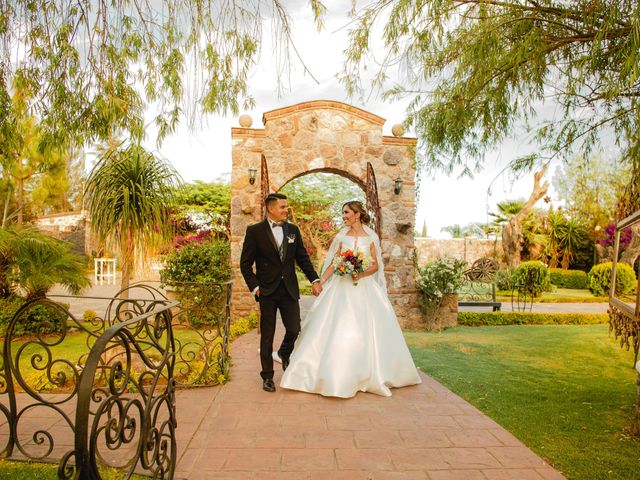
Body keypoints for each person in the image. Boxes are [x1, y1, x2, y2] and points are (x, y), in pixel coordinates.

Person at [280, 200, 421, 398]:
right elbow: (333, 263)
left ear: (356, 214)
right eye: (343, 213)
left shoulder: (371, 237)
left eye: (346, 212)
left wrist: (360, 274)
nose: (344, 216)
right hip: (340, 287)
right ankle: (328, 372)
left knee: (365, 329)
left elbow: (375, 265)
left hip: (364, 287)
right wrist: (320, 281)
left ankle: (367, 372)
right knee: (334, 324)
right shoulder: (342, 237)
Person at [240, 193, 322, 392]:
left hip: (289, 289)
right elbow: (245, 264)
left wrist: (315, 279)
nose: (286, 210)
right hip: (266, 291)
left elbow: (302, 258)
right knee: (267, 335)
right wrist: (255, 287)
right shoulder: (255, 231)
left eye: (286, 206)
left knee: (294, 328)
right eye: (283, 207)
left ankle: (285, 353)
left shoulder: (293, 230)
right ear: (271, 209)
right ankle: (267, 377)